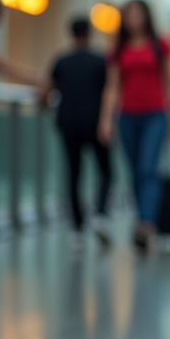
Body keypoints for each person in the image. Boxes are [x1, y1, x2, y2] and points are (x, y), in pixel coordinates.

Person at [98, 0, 170, 253]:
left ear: (147, 16)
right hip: (127, 116)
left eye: (138, 13)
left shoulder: (161, 45)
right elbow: (112, 87)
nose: (133, 18)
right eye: (128, 14)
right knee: (134, 171)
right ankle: (141, 221)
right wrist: (105, 119)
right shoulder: (118, 48)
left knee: (148, 168)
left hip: (156, 115)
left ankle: (146, 224)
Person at [40, 17, 113, 247]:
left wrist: (45, 104)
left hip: (69, 124)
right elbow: (110, 92)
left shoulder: (62, 61)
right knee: (106, 171)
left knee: (74, 175)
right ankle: (100, 213)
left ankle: (77, 230)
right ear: (90, 33)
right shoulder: (100, 61)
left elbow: (45, 91)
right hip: (95, 124)